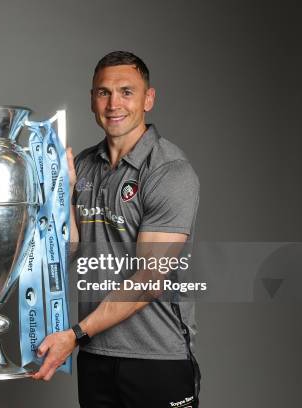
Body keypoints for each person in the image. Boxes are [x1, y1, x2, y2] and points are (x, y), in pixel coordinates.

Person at [33, 51, 201, 407]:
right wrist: (62, 200)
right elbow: (72, 254)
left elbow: (149, 281)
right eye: (103, 92)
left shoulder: (169, 171)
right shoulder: (83, 166)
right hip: (96, 355)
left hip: (156, 357)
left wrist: (75, 334)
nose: (114, 104)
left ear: (148, 99)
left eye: (126, 91)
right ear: (92, 99)